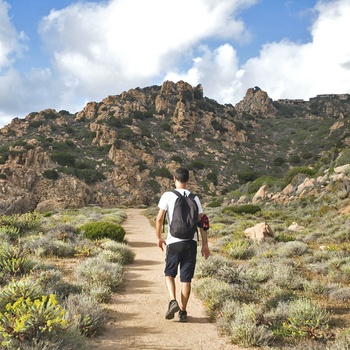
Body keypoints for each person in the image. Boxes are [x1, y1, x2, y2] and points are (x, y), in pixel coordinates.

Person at [155, 167, 210, 322]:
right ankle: (183, 312)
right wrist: (205, 245)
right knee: (186, 279)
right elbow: (202, 224)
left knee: (169, 274)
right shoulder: (195, 198)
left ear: (174, 179)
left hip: (174, 241)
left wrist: (159, 237)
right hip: (190, 243)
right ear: (188, 180)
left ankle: (173, 301)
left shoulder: (168, 196)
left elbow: (159, 218)